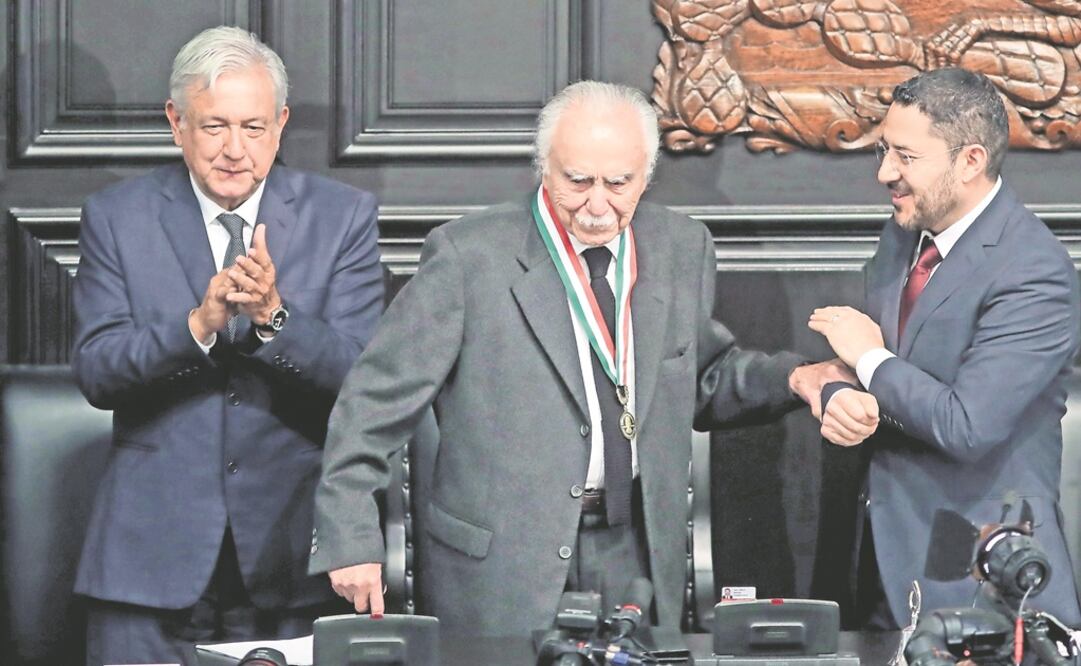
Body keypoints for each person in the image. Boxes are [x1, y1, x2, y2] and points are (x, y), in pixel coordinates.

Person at [310, 80, 877, 636]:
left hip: (632, 551)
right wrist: (351, 537)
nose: (598, 205)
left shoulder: (680, 247)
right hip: (500, 566)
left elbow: (700, 375)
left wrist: (799, 378)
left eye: (619, 182)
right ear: (544, 168)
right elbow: (371, 404)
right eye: (578, 181)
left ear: (647, 174)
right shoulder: (468, 256)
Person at [71, 26, 384, 665]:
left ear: (281, 124)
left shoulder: (341, 216)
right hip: (148, 564)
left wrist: (275, 318)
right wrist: (198, 326)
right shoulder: (117, 216)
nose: (235, 150)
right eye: (214, 127)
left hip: (291, 557)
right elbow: (98, 371)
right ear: (176, 122)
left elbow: (365, 378)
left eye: (253, 127)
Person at [809, 67, 1081, 629]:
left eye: (905, 156)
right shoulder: (904, 233)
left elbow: (967, 425)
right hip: (880, 561)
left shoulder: (1035, 272)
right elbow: (887, 366)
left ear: (970, 161)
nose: (885, 172)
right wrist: (839, 389)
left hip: (977, 581)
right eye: (884, 150)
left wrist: (867, 358)